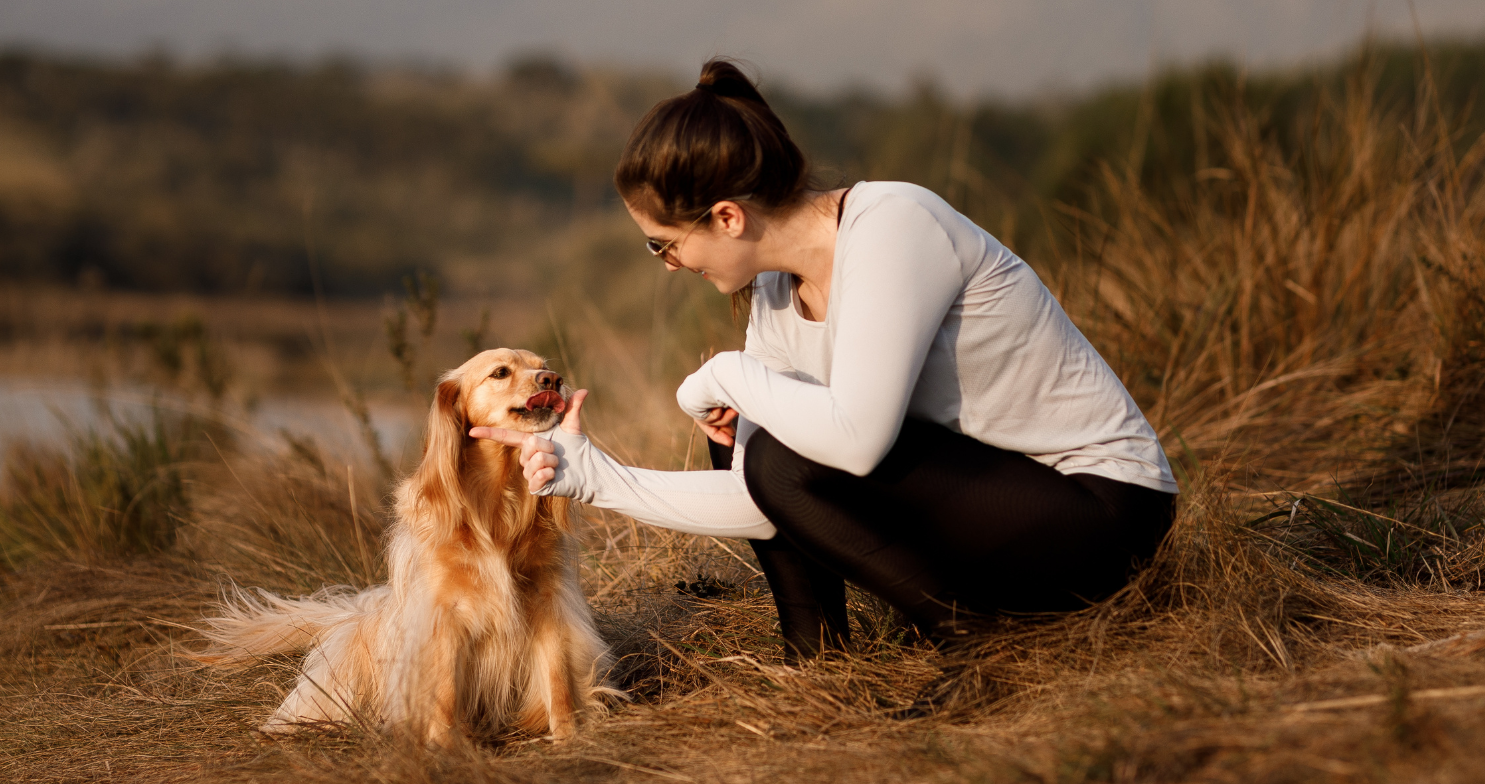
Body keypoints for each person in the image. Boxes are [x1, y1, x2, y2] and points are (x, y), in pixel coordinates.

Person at [473, 59, 1177, 658]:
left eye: (664, 243)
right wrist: (597, 478)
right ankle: (817, 654)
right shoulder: (775, 294)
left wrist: (729, 374)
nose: (667, 265)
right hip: (992, 512)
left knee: (771, 429)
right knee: (750, 440)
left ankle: (973, 640)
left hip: (1098, 514)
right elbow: (769, 498)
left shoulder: (895, 225)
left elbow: (857, 442)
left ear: (727, 216)